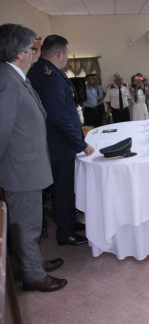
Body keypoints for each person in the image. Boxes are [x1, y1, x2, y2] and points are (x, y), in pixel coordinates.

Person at [0, 23, 68, 292]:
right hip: (20, 170)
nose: (34, 53)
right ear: (19, 53)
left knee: (31, 223)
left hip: (28, 166)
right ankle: (33, 276)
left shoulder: (17, 76)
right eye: (32, 48)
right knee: (26, 227)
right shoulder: (7, 81)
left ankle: (33, 262)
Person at [27, 34, 93, 247]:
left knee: (64, 189)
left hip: (56, 142)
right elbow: (59, 116)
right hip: (58, 145)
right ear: (60, 54)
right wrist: (81, 144)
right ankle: (66, 234)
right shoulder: (51, 77)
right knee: (63, 190)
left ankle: (70, 223)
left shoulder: (43, 71)